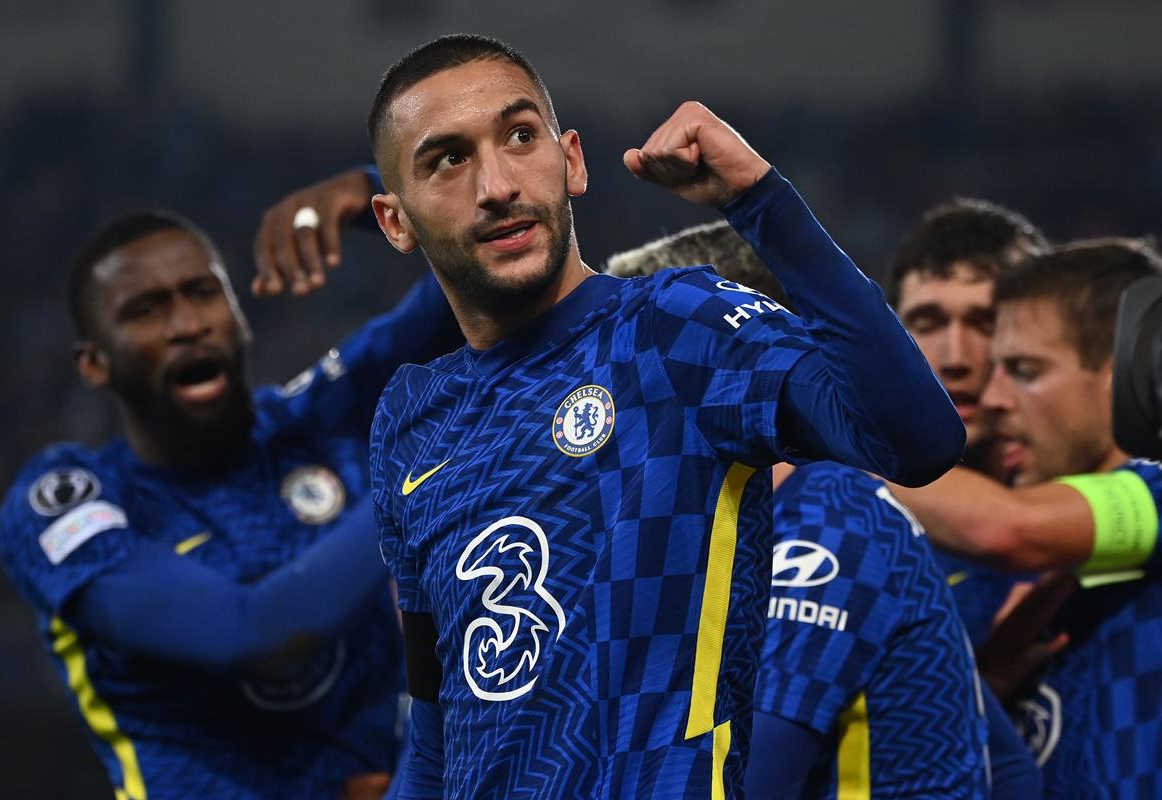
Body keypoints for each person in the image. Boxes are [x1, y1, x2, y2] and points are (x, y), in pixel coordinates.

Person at [349, 33, 962, 798]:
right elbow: (437, 729)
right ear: (394, 220)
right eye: (448, 159)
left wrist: (762, 202)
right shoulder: (411, 419)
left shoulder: (675, 327)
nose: (498, 184)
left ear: (570, 160)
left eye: (518, 136)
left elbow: (917, 440)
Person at [0, 201, 461, 799]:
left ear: (240, 317)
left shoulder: (309, 422)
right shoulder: (67, 502)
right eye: (145, 310)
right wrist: (414, 484)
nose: (187, 324)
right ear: (94, 364)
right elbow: (258, 635)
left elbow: (469, 282)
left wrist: (379, 197)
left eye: (203, 293)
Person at [610, 223, 1040, 799]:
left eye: (632, 368)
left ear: (719, 367)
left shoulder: (827, 520)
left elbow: (744, 782)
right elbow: (1010, 775)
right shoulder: (742, 532)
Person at [889, 239, 1162, 796]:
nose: (992, 396)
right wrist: (988, 684)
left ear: (1121, 374)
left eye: (1024, 371)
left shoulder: (1156, 491)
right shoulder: (1042, 581)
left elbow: (1005, 529)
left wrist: (833, 450)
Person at [887, 198, 1047, 646]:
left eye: (986, 322)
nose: (955, 358)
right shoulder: (841, 520)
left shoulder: (1106, 484)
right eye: (928, 321)